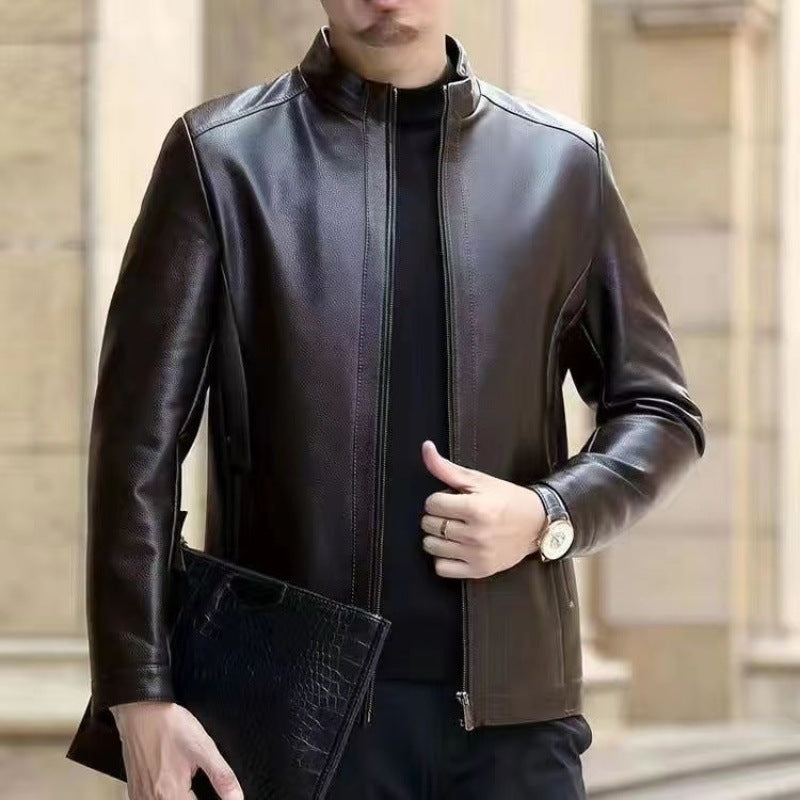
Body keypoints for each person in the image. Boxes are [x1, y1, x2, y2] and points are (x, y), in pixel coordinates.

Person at [78, 1, 706, 798]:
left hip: (515, 730)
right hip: (288, 722)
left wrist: (546, 514)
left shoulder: (562, 167)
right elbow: (136, 446)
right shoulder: (222, 158)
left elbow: (660, 411)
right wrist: (138, 689)